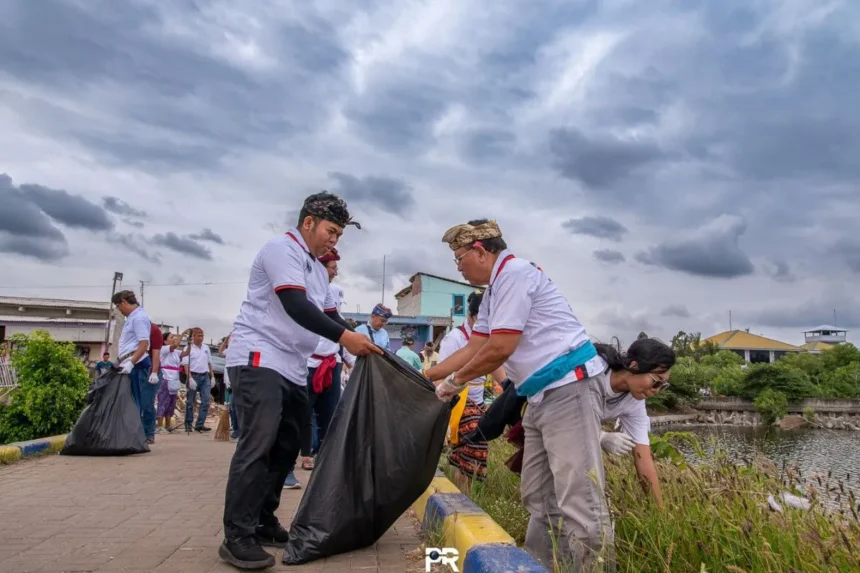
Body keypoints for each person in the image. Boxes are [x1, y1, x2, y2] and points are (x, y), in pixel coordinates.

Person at [425, 219, 613, 571]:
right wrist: (429, 375)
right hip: (540, 395)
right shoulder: (495, 290)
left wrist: (454, 383)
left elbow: (499, 348)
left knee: (580, 499)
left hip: (568, 388)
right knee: (539, 496)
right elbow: (475, 346)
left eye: (459, 259)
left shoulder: (515, 274)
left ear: (480, 252)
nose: (459, 267)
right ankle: (545, 564)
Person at [220, 192, 380, 570]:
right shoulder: (282, 250)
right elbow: (295, 305)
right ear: (308, 222)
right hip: (259, 356)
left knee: (287, 444)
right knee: (257, 445)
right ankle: (236, 536)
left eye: (339, 234)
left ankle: (262, 520)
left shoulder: (314, 267)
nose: (334, 240)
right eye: (331, 231)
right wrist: (346, 339)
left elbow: (329, 314)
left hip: (293, 364)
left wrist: (360, 341)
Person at [591, 338, 675, 509]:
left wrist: (659, 512)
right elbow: (559, 410)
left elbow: (643, 457)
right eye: (656, 381)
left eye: (663, 386)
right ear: (635, 366)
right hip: (535, 415)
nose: (656, 391)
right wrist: (600, 437)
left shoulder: (634, 403)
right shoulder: (593, 369)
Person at [437, 290, 505, 493]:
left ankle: (461, 494)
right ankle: (462, 495)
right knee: (475, 443)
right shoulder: (455, 339)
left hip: (478, 402)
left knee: (467, 450)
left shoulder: (488, 340)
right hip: (458, 400)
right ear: (471, 316)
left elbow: (495, 367)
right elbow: (441, 375)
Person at [289, 247, 347, 482]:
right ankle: (288, 469)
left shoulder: (329, 292)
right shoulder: (304, 290)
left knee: (331, 418)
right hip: (308, 364)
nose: (335, 272)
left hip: (331, 363)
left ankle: (326, 471)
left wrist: (356, 350)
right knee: (300, 417)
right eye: (332, 268)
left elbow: (337, 322)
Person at [111, 290, 154, 441]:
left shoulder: (139, 318)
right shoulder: (132, 317)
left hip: (137, 364)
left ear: (124, 302)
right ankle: (133, 435)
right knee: (130, 401)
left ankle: (136, 437)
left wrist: (131, 362)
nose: (119, 310)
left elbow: (144, 344)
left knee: (135, 402)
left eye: (118, 306)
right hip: (130, 363)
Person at [180, 327, 214, 433]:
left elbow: (209, 362)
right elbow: (186, 364)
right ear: (193, 337)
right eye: (198, 335)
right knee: (190, 401)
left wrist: (212, 376)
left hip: (205, 376)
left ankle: (200, 424)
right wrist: (189, 377)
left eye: (202, 335)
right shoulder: (188, 348)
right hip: (193, 375)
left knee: (206, 400)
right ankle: (188, 423)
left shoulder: (206, 348)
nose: (201, 338)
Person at [157, 334, 183, 433]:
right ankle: (159, 426)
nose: (173, 340)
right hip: (166, 377)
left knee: (171, 403)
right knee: (163, 401)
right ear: (165, 341)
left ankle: (168, 426)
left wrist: (190, 342)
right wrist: (182, 335)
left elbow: (186, 353)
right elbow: (175, 345)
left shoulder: (176, 352)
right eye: (171, 338)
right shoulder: (163, 349)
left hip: (174, 379)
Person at [144, 323, 164, 443]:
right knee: (137, 403)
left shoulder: (154, 330)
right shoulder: (130, 326)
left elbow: (156, 352)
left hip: (150, 369)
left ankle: (149, 433)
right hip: (136, 368)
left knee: (147, 403)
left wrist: (154, 372)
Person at [219, 333, 239, 440]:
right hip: (228, 383)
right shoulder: (228, 351)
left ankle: (237, 429)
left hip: (236, 382)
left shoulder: (238, 351)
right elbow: (220, 351)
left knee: (235, 407)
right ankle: (235, 427)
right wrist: (226, 340)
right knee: (231, 408)